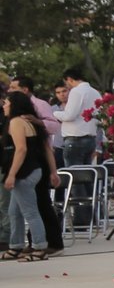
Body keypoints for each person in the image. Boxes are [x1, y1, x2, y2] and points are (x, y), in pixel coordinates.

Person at [6, 75, 62, 254]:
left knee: (33, 209)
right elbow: (46, 147)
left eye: (13, 89)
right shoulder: (29, 121)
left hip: (27, 169)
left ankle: (41, 245)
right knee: (15, 211)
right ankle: (17, 245)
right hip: (35, 167)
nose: (5, 102)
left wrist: (12, 174)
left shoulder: (19, 121)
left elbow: (21, 149)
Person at [53, 69, 102, 167]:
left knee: (74, 174)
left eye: (66, 83)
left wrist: (54, 114)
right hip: (90, 138)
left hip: (75, 139)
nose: (67, 86)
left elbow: (69, 115)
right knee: (86, 173)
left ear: (69, 79)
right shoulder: (95, 92)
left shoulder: (76, 91)